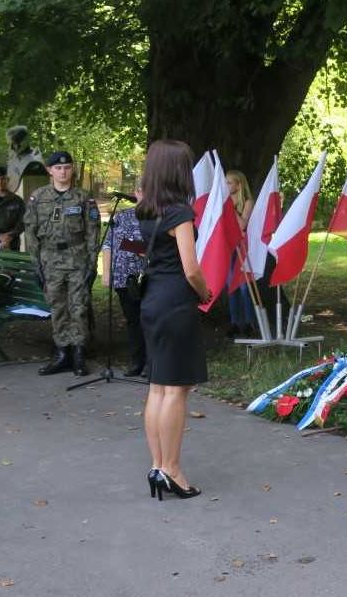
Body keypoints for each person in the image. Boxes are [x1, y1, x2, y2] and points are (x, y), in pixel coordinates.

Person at [136, 139, 212, 500]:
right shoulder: (179, 214)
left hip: (151, 301)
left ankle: (156, 465)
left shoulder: (145, 210)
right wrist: (205, 292)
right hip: (176, 302)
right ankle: (173, 469)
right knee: (176, 390)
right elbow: (191, 267)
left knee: (157, 387)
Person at [23, 151, 100, 376]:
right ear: (50, 170)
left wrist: (92, 263)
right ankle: (62, 353)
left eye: (67, 168)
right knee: (57, 307)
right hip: (50, 261)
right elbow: (31, 233)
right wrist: (36, 264)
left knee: (79, 307)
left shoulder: (83, 198)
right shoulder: (39, 197)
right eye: (58, 168)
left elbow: (92, 232)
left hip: (77, 260)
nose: (63, 171)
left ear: (72, 169)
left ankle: (78, 355)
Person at [101, 197, 147, 377]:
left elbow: (158, 248)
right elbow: (108, 244)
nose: (144, 194)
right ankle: (137, 362)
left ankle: (152, 363)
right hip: (123, 276)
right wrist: (106, 273)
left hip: (148, 276)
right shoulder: (123, 216)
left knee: (149, 320)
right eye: (141, 190)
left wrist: (130, 245)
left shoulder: (160, 216)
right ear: (136, 192)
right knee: (133, 320)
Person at [225, 170, 256, 337]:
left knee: (244, 287)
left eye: (229, 182)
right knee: (231, 286)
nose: (226, 186)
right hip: (229, 247)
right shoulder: (224, 202)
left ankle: (249, 323)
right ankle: (235, 322)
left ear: (239, 184)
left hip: (243, 247)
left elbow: (242, 224)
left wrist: (231, 209)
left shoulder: (248, 202)